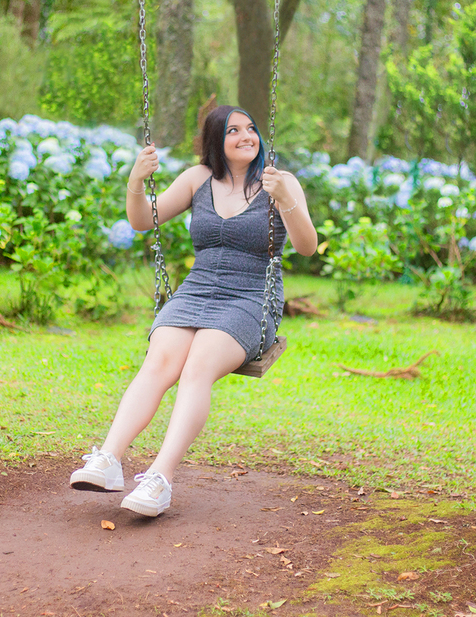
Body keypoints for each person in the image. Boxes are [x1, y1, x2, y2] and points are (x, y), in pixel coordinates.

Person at [69, 105, 317, 517]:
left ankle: (160, 479)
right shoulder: (197, 179)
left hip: (251, 298)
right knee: (159, 361)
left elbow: (306, 246)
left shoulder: (281, 182)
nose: (246, 136)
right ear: (216, 141)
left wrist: (286, 198)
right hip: (196, 291)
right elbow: (142, 220)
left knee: (197, 364)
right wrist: (136, 179)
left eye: (251, 129)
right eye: (233, 130)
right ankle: (108, 460)